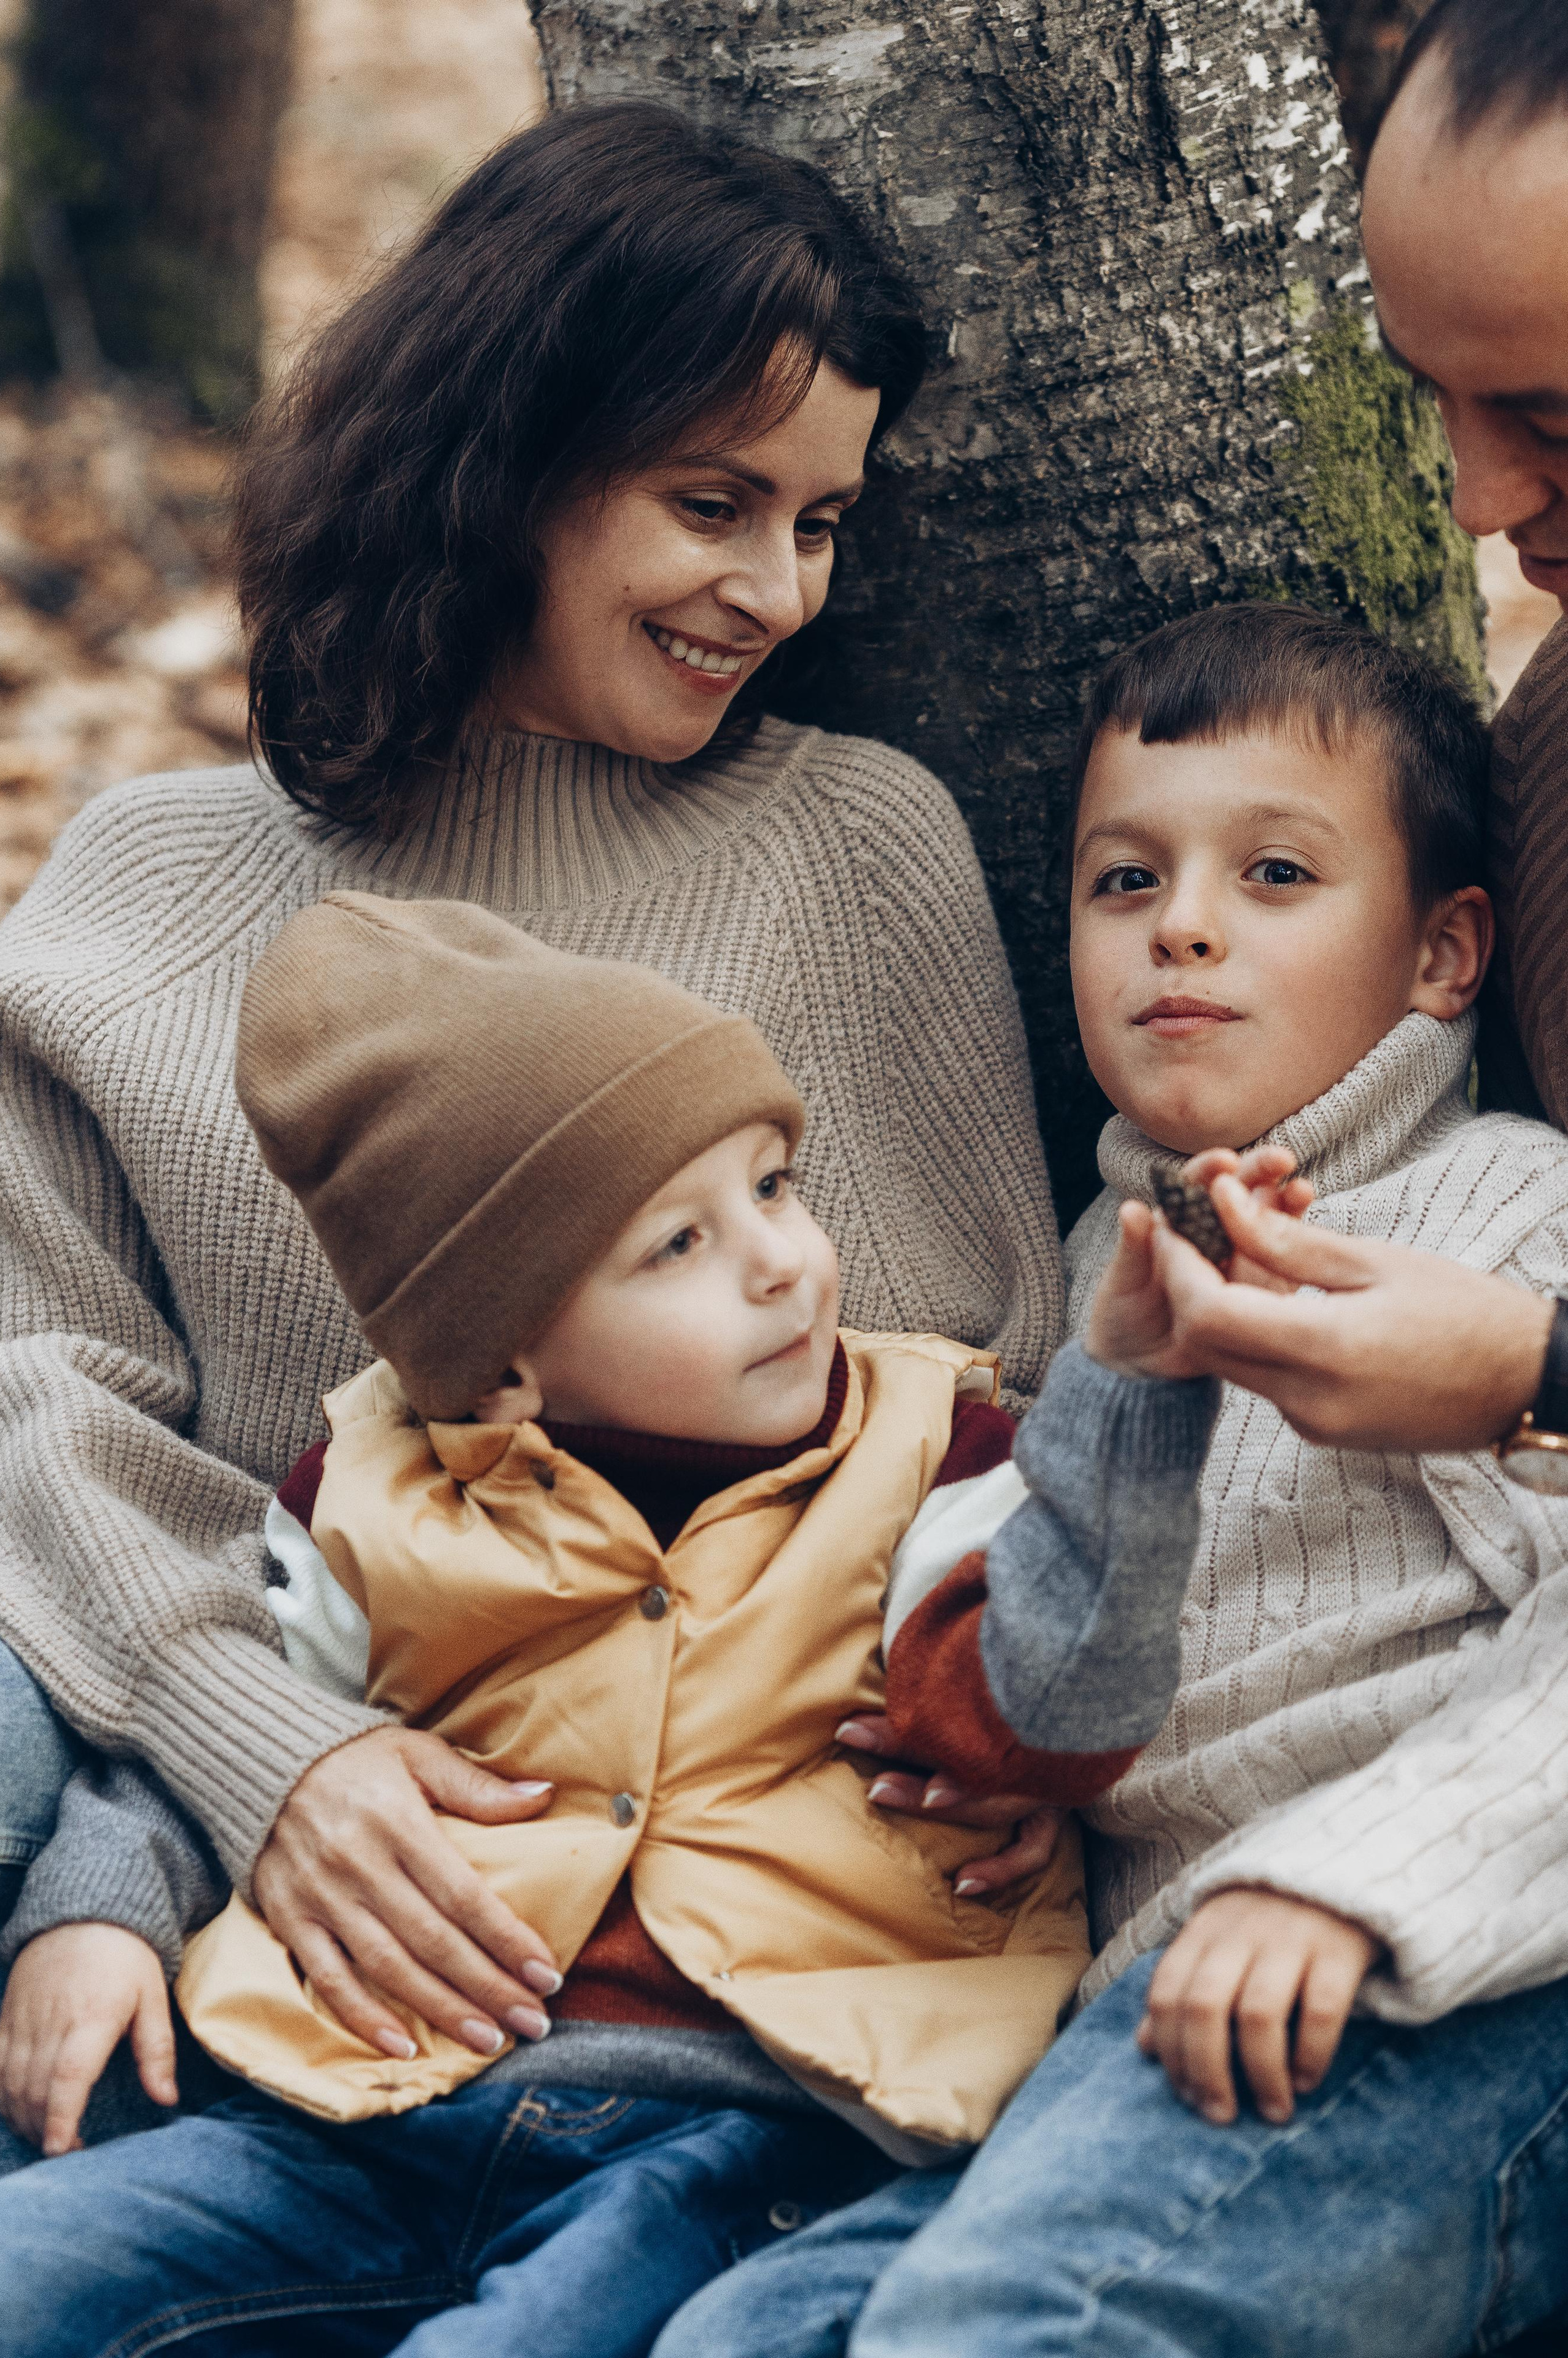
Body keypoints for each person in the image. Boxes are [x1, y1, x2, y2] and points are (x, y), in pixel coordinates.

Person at [0, 97, 1066, 2150]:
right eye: (711, 503)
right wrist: (263, 1760)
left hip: (690, 1913)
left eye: (820, 522)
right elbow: (35, 1401)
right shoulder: (147, 886)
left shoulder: (857, 853)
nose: (776, 589)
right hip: (188, 1761)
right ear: (499, 463)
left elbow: (976, 1385)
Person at [0, 893, 1217, 2357]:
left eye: (773, 1185)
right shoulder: (366, 1492)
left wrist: (1122, 1406)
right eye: (678, 1243)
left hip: (742, 2129)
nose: (778, 1260)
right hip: (361, 2105)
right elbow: (232, 1741)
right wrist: (98, 1906)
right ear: (502, 1364)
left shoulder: (933, 1452)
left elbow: (1040, 1713)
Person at [656, 603, 1568, 2358]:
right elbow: (1050, 1625)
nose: (1183, 926)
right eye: (1124, 881)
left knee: (1006, 2328)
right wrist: (1017, 1765)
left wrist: (1365, 1877)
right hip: (1138, 2011)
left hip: (1455, 1969)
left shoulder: (1501, 1215)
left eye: (1274, 876)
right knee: (740, 2335)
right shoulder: (1089, 1267)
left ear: (1444, 955)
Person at [1141, 0, 1568, 1457]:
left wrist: (1535, 1376)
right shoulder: (1540, 765)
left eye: (1550, 423)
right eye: (1430, 393)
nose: (1475, 501)